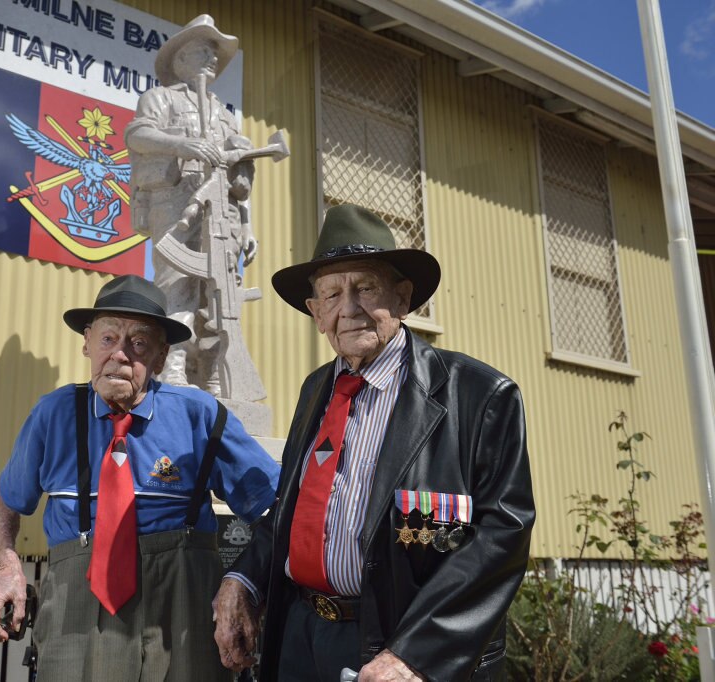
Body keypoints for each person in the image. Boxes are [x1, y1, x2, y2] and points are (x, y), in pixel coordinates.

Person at [212, 205, 535, 681]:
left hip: (400, 642)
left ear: (402, 299)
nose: (349, 307)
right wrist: (242, 580)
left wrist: (415, 653)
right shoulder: (316, 389)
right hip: (300, 634)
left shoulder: (480, 395)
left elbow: (500, 535)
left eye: (365, 287)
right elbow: (292, 508)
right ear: (315, 313)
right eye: (332, 293)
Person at [0, 274, 280, 682]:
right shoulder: (53, 415)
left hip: (184, 611)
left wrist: (243, 583)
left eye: (138, 343)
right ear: (87, 342)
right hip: (76, 607)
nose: (119, 355)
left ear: (160, 357)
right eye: (108, 339)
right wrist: (6, 565)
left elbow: (276, 506)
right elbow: (6, 498)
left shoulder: (199, 415)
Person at [125, 15, 257, 391]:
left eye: (216, 53)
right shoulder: (160, 98)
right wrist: (180, 144)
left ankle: (217, 372)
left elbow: (240, 173)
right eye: (204, 50)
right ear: (180, 59)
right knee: (176, 284)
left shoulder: (226, 117)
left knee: (219, 294)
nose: (213, 58)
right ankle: (174, 365)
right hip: (176, 202)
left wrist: (246, 223)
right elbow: (138, 134)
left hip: (223, 211)